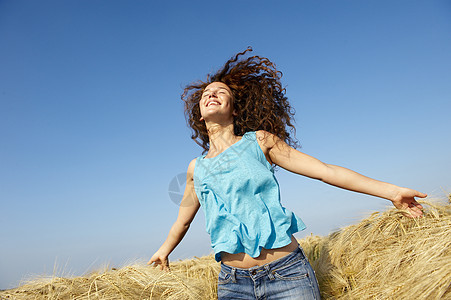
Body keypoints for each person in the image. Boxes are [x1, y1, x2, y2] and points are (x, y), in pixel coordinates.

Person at [148, 48, 427, 299]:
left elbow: (324, 171)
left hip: (287, 275)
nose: (211, 94)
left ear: (233, 110)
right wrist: (164, 250)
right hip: (232, 285)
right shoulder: (196, 168)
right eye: (207, 93)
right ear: (199, 115)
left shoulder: (259, 141)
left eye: (221, 92)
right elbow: (182, 222)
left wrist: (391, 192)